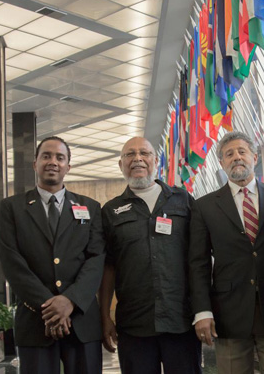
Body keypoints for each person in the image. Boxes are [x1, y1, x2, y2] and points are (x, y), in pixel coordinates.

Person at [189, 131, 264, 374]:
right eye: (229, 154)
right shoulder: (204, 206)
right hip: (229, 314)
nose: (236, 157)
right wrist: (202, 311)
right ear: (221, 163)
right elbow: (199, 263)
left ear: (254, 157)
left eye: (242, 151)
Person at [0, 136, 106, 374]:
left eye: (60, 157)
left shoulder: (90, 207)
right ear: (35, 163)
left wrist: (70, 301)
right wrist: (50, 308)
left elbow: (96, 260)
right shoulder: (12, 208)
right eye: (46, 156)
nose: (53, 162)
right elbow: (12, 262)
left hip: (81, 322)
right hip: (35, 323)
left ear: (68, 166)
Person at [99, 137, 201, 374]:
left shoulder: (183, 200)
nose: (137, 159)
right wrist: (104, 317)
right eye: (129, 154)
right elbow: (107, 268)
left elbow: (199, 260)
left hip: (181, 322)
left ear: (156, 161)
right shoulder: (110, 211)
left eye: (144, 153)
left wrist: (204, 310)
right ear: (120, 164)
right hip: (135, 325)